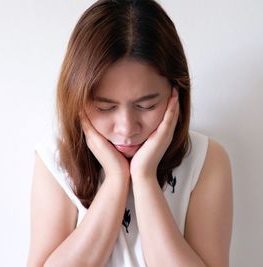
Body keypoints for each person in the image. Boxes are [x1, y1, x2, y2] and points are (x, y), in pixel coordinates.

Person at [27, 0, 233, 266]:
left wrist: (145, 178)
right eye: (105, 107)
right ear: (77, 99)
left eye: (146, 105)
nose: (126, 129)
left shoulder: (206, 159)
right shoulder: (56, 159)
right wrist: (115, 179)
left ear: (176, 93)